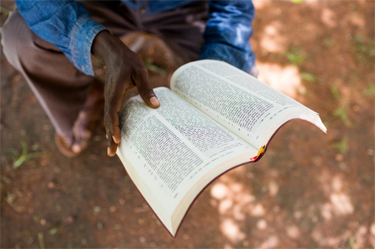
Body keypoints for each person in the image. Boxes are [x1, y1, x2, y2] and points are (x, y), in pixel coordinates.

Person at [1, 0, 257, 158]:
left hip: (185, 8)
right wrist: (96, 40)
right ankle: (87, 95)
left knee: (233, 78)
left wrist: (214, 73)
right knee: (20, 38)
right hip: (103, 4)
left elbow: (233, 8)